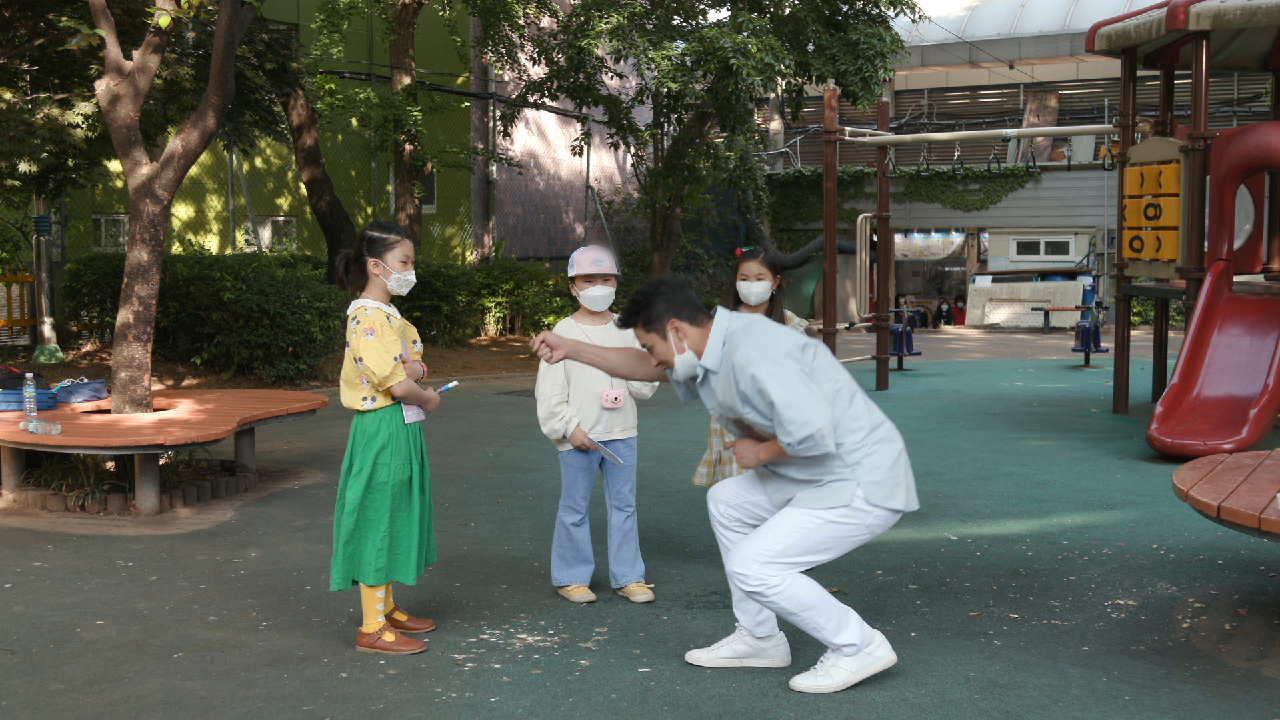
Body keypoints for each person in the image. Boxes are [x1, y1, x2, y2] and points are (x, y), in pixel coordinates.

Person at [530, 276, 919, 694]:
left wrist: (763, 452)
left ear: (676, 330)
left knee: (753, 565)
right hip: (820, 471)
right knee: (727, 500)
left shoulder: (755, 353)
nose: (653, 359)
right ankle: (760, 637)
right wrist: (571, 348)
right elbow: (645, 366)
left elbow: (819, 431)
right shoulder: (712, 342)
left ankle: (857, 645)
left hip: (862, 480)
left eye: (650, 345)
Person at [330, 221, 443, 656]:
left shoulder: (386, 315)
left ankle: (386, 607)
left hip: (397, 426)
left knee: (393, 512)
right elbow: (398, 383)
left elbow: (412, 366)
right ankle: (372, 626)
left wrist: (413, 373)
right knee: (379, 515)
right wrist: (426, 396)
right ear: (376, 266)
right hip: (383, 426)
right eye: (404, 262)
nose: (410, 271)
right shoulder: (370, 317)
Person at [535, 245, 659, 604]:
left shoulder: (628, 329)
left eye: (606, 279)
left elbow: (644, 385)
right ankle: (571, 577)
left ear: (617, 283)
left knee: (625, 506)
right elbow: (550, 393)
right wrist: (567, 428)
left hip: (622, 433)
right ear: (573, 286)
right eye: (589, 280)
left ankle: (629, 576)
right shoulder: (562, 331)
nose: (598, 287)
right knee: (574, 507)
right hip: (579, 437)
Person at [693, 247, 807, 488]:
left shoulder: (790, 324)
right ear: (735, 282)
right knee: (734, 491)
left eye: (759, 278)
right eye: (744, 279)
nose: (751, 285)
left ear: (775, 282)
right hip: (733, 421)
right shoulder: (719, 323)